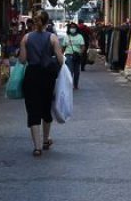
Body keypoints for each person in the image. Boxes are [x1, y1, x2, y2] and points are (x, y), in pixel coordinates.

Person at [19, 10, 65, 157]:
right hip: (47, 77)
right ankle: (45, 140)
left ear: (34, 22)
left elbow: (22, 60)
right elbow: (60, 59)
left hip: (31, 76)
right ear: (47, 23)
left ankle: (37, 147)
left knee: (33, 110)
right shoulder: (53, 38)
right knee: (46, 108)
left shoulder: (26, 38)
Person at [61, 22, 86, 89]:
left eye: (74, 27)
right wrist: (60, 56)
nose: (72, 29)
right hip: (68, 55)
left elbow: (83, 46)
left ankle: (75, 85)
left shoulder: (80, 36)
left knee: (77, 71)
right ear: (69, 29)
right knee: (70, 70)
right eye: (71, 27)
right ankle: (69, 84)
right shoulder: (66, 37)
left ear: (76, 28)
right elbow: (63, 47)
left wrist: (80, 53)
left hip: (77, 56)